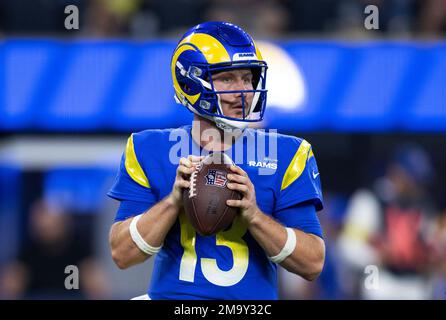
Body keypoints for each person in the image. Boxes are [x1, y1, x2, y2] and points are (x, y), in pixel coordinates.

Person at [107, 21, 325, 300]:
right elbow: (122, 254)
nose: (243, 91)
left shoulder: (287, 154)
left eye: (247, 78)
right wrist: (173, 202)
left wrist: (254, 215)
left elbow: (313, 263)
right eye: (228, 79)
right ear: (191, 81)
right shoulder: (149, 148)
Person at [337, 143, 438, 299]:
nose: (417, 184)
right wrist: (377, 256)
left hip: (415, 285)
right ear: (396, 172)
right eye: (412, 177)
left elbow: (430, 247)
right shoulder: (370, 199)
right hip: (379, 281)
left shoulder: (423, 205)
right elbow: (347, 247)